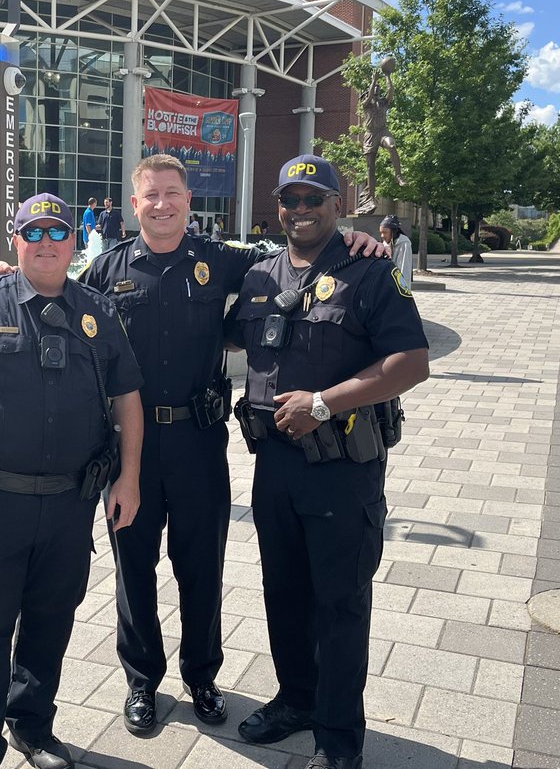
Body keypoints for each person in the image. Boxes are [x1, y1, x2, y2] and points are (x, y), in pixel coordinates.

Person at [78, 154, 387, 740]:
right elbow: (61, 305)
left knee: (202, 567)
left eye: (173, 193)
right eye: (151, 195)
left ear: (189, 201)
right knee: (133, 568)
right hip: (129, 449)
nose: (162, 204)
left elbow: (301, 253)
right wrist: (5, 275)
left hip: (198, 441)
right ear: (134, 202)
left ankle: (202, 676)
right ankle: (142, 680)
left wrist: (352, 237)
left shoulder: (225, 261)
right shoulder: (106, 269)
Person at [0, 193, 144, 769]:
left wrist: (130, 478)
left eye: (57, 232)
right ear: (15, 242)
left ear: (74, 241)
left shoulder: (99, 310)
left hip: (72, 504)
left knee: (51, 622)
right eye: (33, 233)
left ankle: (33, 727)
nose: (46, 243)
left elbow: (128, 400)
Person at [227, 154, 429, 769]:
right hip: (275, 467)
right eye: (291, 198)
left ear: (339, 205)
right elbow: (220, 323)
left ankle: (339, 741)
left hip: (342, 469)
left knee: (339, 603)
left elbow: (411, 363)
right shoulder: (262, 275)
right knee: (282, 591)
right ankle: (297, 699)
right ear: (278, 207)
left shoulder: (369, 272)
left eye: (315, 197)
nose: (302, 209)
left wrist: (323, 401)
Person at [358, 63, 404, 215]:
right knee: (371, 169)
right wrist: (373, 81)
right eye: (374, 88)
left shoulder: (383, 103)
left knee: (391, 146)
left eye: (378, 87)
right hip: (370, 135)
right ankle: (370, 196)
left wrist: (388, 76)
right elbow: (370, 95)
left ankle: (399, 175)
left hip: (383, 131)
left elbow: (391, 92)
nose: (377, 89)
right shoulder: (366, 104)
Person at [379, 215, 413, 291]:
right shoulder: (384, 243)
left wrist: (403, 289)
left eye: (385, 232)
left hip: (398, 286)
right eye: (381, 233)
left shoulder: (404, 243)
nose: (382, 236)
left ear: (393, 232)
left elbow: (404, 268)